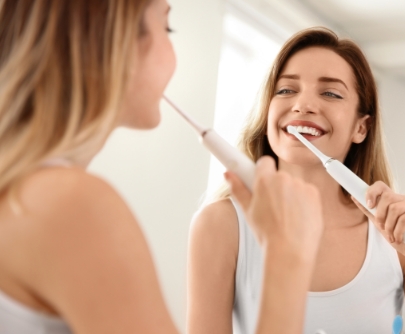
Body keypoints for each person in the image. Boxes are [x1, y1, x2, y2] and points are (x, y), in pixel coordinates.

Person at [0, 1, 323, 333]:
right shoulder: (73, 204)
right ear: (117, 41)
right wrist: (288, 259)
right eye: (166, 27)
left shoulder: (30, 190)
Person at [189, 27, 405, 334]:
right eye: (285, 90)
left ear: (361, 128)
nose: (303, 105)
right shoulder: (221, 224)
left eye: (330, 93)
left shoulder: (395, 235)